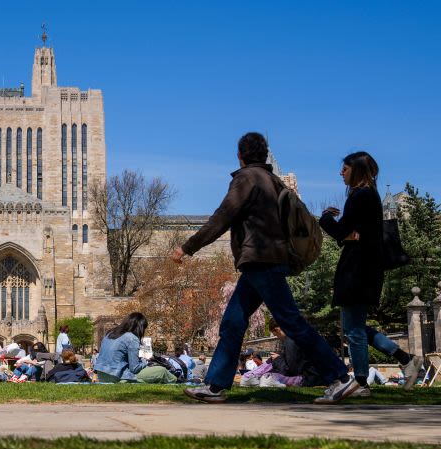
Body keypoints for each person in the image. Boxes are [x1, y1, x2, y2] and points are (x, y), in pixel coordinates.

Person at [173, 132, 357, 404]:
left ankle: (340, 378)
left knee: (292, 322)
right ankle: (215, 386)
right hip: (264, 261)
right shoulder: (272, 181)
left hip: (261, 259)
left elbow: (222, 217)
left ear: (240, 155)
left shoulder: (247, 179)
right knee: (233, 324)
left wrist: (187, 247)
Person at [319, 151, 423, 392]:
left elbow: (340, 231)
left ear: (355, 170)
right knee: (354, 326)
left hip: (356, 271)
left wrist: (324, 218)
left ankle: (361, 382)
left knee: (354, 330)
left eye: (344, 169)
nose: (340, 173)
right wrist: (348, 235)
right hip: (366, 270)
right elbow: (349, 233)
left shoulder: (359, 196)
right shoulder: (370, 196)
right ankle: (407, 359)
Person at [93, 312, 177, 384]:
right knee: (161, 371)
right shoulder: (132, 338)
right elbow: (134, 368)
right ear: (140, 327)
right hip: (116, 377)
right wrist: (146, 362)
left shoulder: (109, 333)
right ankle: (177, 380)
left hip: (102, 376)